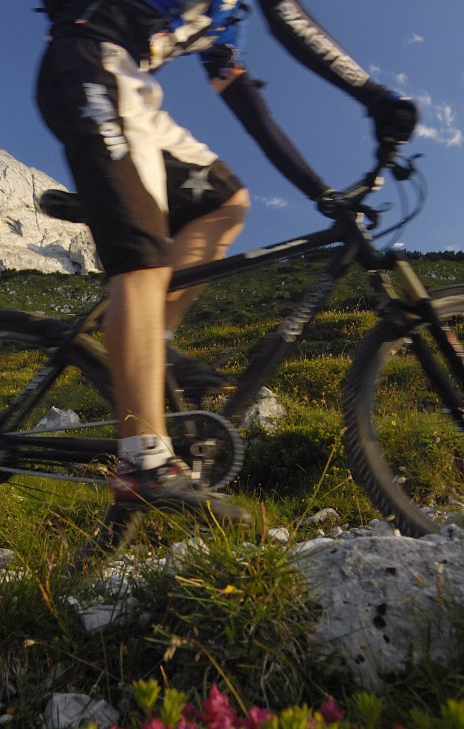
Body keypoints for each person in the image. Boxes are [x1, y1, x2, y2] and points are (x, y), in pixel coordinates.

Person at [35, 0, 418, 526]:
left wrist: (321, 195)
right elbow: (290, 21)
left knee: (226, 201)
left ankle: (157, 350)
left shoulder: (218, 24)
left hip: (128, 92)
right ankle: (144, 461)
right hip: (93, 70)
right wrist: (374, 97)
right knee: (143, 264)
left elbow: (254, 117)